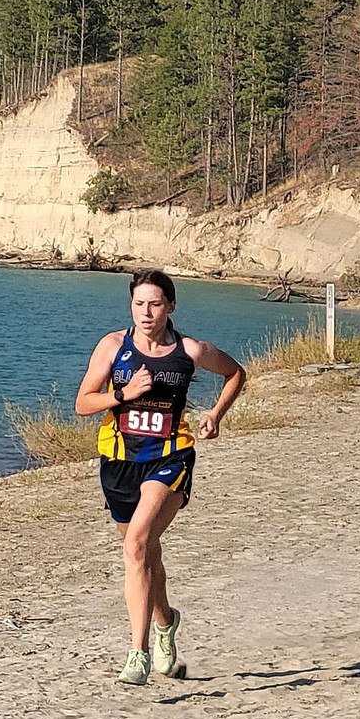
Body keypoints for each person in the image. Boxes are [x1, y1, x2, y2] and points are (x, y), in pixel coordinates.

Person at [75, 269, 245, 685]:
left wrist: (215, 416)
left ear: (170, 306)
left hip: (170, 456)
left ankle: (139, 654)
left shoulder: (190, 350)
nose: (146, 312)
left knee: (136, 543)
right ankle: (166, 622)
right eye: (138, 304)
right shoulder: (113, 346)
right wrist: (123, 394)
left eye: (154, 304)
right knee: (143, 553)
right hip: (118, 460)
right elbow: (83, 403)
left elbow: (235, 373)